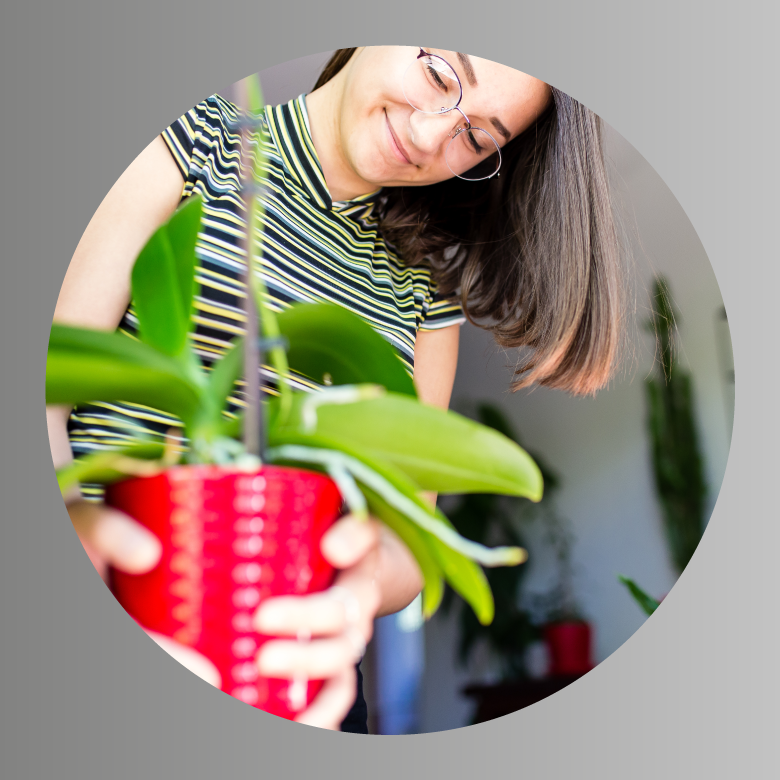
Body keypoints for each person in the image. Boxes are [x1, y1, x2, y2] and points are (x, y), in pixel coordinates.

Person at [46, 46, 625, 732]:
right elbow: (47, 385)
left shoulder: (425, 290)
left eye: (474, 137)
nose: (427, 136)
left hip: (299, 656)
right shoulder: (186, 140)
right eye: (439, 75)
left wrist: (361, 587)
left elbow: (411, 529)